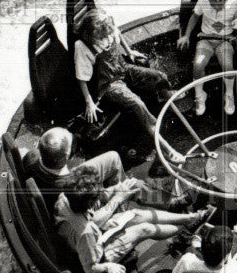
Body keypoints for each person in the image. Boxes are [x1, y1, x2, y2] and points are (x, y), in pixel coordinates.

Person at [56, 166, 212, 273]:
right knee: (144, 229)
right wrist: (109, 266)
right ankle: (188, 228)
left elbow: (91, 218)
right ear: (90, 203)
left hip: (96, 233)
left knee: (135, 214)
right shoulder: (86, 233)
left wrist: (118, 190)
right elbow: (89, 268)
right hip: (100, 253)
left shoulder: (66, 197)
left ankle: (187, 218)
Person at [73, 9, 185, 164]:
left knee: (159, 77)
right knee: (138, 105)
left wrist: (129, 51)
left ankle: (165, 96)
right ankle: (166, 149)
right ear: (93, 33)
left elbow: (118, 34)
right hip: (109, 84)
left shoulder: (108, 27)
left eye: (108, 34)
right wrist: (89, 102)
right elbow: (81, 77)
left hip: (122, 68)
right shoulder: (82, 47)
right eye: (104, 36)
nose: (108, 37)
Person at [177, 0, 237, 116]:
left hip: (225, 41)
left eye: (220, 5)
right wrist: (186, 36)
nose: (216, 8)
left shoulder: (235, 4)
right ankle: (200, 96)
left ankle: (229, 95)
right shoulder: (202, 0)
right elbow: (195, 17)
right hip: (206, 39)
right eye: (213, 5)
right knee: (197, 65)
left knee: (227, 65)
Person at [23, 127, 128, 211]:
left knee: (113, 157)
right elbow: (85, 205)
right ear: (67, 156)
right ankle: (121, 202)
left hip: (57, 183)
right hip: (79, 203)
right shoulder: (71, 185)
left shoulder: (32, 156)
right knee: (116, 189)